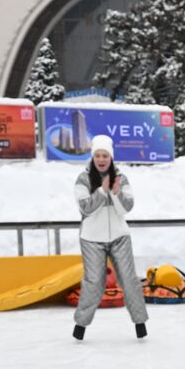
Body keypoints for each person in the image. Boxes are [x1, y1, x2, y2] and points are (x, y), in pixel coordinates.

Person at [71, 136, 147, 341]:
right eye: (98, 155)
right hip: (91, 238)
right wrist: (102, 191)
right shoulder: (83, 179)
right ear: (93, 157)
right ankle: (80, 325)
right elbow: (85, 207)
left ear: (111, 158)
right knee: (94, 281)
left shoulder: (121, 178)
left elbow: (127, 208)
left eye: (105, 155)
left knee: (129, 280)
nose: (101, 159)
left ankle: (140, 323)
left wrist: (115, 192)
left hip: (119, 236)